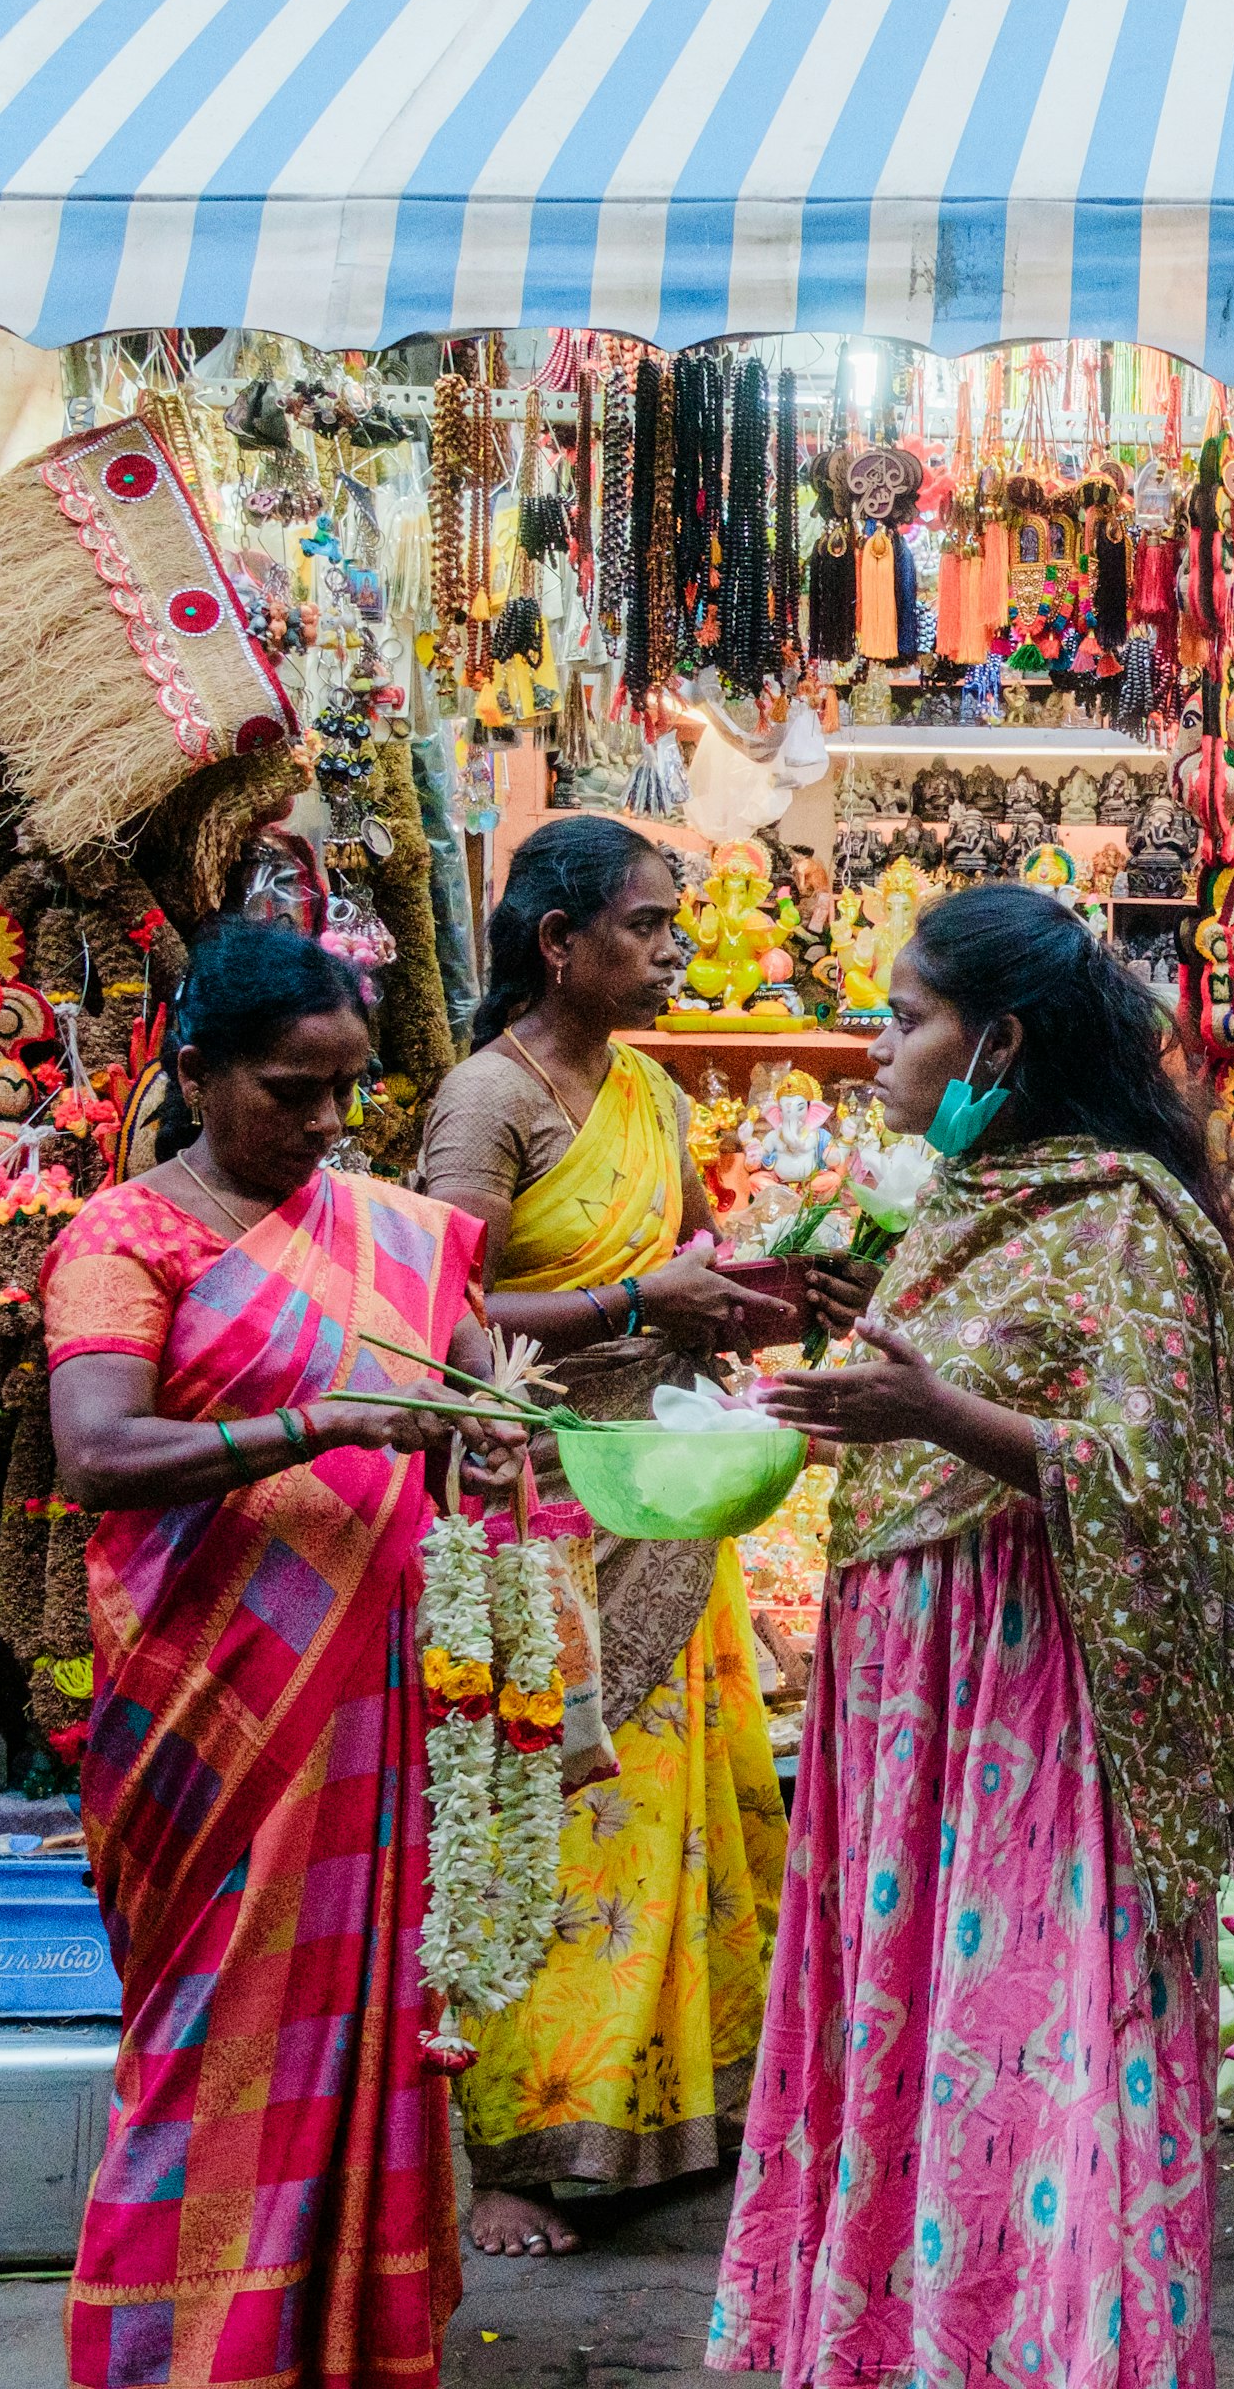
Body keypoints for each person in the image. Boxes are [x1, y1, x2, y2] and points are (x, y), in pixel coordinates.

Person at [708, 882, 1234, 2389]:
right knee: (917, 2021)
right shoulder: (964, 1204)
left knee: (1028, 2030)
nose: (875, 1048)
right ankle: (906, 2343)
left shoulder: (1131, 1216)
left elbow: (1156, 1471)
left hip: (1037, 1700)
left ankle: (1048, 2348)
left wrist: (929, 1412)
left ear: (1001, 1040)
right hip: (913, 1701)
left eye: (905, 1021)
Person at [43, 917, 523, 2389]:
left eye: (348, 1092)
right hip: (209, 1720)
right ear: (196, 1073)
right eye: (289, 1091)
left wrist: (488, 1451)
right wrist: (318, 1425)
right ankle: (174, 2358)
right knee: (209, 2034)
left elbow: (480, 1388)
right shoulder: (125, 1238)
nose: (325, 1124)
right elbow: (102, 1453)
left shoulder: (392, 1231)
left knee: (367, 2027)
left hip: (372, 1705)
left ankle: (339, 2347)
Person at [415, 815, 801, 2257]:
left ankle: (668, 2118)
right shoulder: (484, 1101)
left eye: (676, 928)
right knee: (549, 1821)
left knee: (672, 1816)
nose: (670, 952)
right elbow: (438, 1319)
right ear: (557, 944)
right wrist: (639, 1308)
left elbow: (693, 1267)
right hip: (538, 1496)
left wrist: (784, 1289)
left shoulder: (651, 1092)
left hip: (664, 1489)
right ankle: (514, 2148)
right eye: (645, 927)